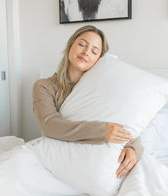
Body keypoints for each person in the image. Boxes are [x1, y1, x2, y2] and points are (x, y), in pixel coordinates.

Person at [32, 25, 143, 178]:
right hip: (57, 162)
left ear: (99, 59)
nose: (86, 52)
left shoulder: (104, 89)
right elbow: (50, 126)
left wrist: (134, 148)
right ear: (71, 45)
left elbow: (124, 120)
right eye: (82, 44)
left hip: (97, 169)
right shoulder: (44, 86)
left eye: (94, 51)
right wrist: (102, 131)